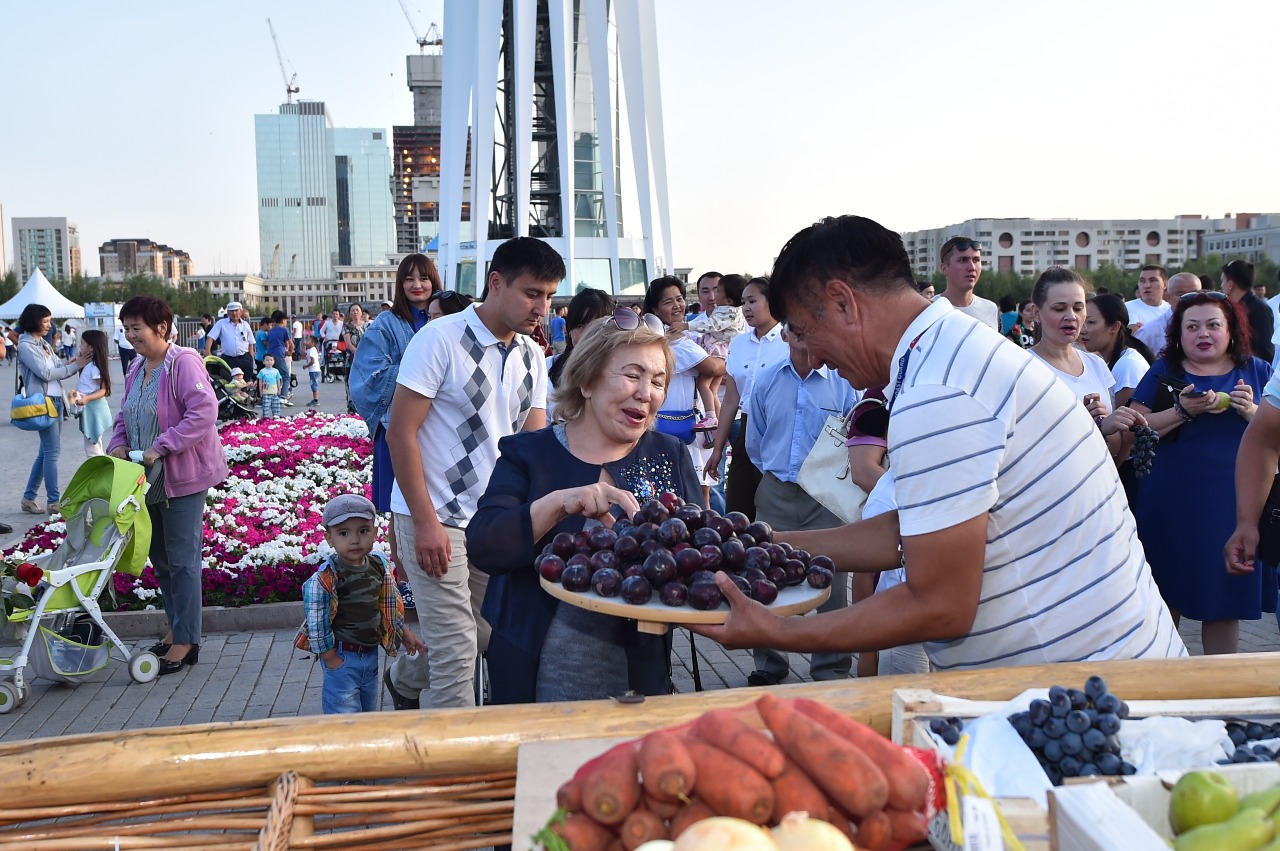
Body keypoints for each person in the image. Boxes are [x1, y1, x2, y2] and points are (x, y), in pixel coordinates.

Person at [690, 214, 1185, 668]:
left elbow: (940, 603)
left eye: (802, 330)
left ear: (843, 302)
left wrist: (776, 630)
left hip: (1095, 699)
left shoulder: (940, 389)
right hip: (1093, 678)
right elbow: (910, 530)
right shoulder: (945, 352)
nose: (812, 357)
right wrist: (761, 543)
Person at [468, 316, 701, 703]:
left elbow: (697, 557)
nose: (646, 393)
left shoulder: (669, 454)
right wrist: (559, 504)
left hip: (638, 677)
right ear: (588, 381)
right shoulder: (529, 453)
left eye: (658, 381)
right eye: (632, 375)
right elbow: (485, 545)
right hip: (534, 673)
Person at [383, 237, 560, 710]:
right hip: (434, 513)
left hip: (493, 520)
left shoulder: (531, 356)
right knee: (458, 650)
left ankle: (404, 677)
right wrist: (424, 523)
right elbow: (400, 434)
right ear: (495, 283)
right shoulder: (438, 339)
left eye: (548, 295)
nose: (542, 307)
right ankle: (456, 773)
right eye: (532, 293)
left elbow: (531, 446)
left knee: (484, 633)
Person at [1129, 291, 1272, 654]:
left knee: (1223, 601)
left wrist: (1252, 413)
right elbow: (1134, 428)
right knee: (1164, 596)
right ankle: (1164, 684)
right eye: (1192, 327)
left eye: (1213, 325)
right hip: (1170, 501)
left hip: (1233, 503)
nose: (1202, 334)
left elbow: (1275, 434)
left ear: (1231, 331)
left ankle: (1221, 696)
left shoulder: (1257, 370)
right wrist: (1183, 411)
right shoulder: (1165, 371)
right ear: (1179, 333)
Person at [108, 295, 228, 676]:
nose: (130, 336)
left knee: (182, 560)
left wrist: (162, 446)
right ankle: (177, 629)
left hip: (182, 478)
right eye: (126, 329)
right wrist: (119, 444)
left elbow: (204, 411)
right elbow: (125, 415)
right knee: (160, 559)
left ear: (161, 327)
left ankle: (187, 641)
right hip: (146, 480)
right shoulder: (136, 368)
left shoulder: (183, 362)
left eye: (136, 328)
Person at [743, 328, 859, 685]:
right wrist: (779, 475)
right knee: (763, 577)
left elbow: (851, 440)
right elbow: (756, 441)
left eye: (809, 326)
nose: (802, 335)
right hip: (776, 492)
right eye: (794, 328)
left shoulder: (843, 382)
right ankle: (769, 664)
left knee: (832, 586)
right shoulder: (765, 380)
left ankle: (830, 669)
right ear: (784, 333)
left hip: (825, 496)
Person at [350, 254, 442, 611]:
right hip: (399, 430)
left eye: (424, 278)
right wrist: (422, 367)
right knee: (402, 509)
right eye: (409, 279)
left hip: (442, 431)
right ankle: (404, 581)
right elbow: (367, 376)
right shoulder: (387, 324)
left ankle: (442, 578)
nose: (417, 285)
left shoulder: (449, 316)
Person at [296, 494, 424, 714]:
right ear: (329, 538)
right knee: (344, 717)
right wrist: (330, 658)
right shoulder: (326, 578)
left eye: (363, 531)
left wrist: (404, 633)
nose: (354, 540)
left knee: (367, 713)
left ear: (375, 533)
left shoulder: (378, 565)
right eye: (343, 533)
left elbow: (386, 605)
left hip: (371, 655)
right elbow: (317, 623)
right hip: (342, 655)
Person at [1027, 267, 1146, 462]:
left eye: (1078, 308)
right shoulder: (1024, 367)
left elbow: (1115, 447)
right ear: (1036, 313)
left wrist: (1109, 424)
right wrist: (1088, 425)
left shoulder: (1096, 364)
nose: (1071, 316)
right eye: (1059, 308)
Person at [703, 276, 787, 518]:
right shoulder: (739, 344)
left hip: (778, 430)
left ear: (772, 302)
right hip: (745, 428)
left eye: (752, 301)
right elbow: (731, 400)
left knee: (774, 511)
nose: (746, 308)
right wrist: (718, 449)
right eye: (743, 302)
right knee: (738, 509)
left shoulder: (788, 342)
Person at [642, 277, 724, 511]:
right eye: (669, 302)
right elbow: (715, 368)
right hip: (678, 426)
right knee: (694, 497)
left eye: (679, 299)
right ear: (655, 309)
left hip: (682, 423)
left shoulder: (682, 337)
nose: (677, 305)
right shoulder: (674, 342)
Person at [17, 304, 91, 515]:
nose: (50, 326)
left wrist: (73, 362)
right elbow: (46, 373)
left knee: (45, 452)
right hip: (44, 402)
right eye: (46, 321)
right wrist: (75, 366)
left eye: (50, 321)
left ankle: (29, 497)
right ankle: (53, 502)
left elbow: (58, 367)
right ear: (34, 321)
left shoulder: (43, 344)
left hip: (57, 401)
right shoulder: (25, 346)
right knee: (52, 452)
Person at [688, 273, 747, 435]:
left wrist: (731, 373)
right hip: (703, 409)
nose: (712, 296)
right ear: (698, 295)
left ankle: (715, 421)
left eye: (717, 290)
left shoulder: (743, 322)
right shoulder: (695, 325)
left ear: (728, 298)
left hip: (738, 411)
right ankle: (716, 423)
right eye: (706, 291)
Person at [546, 288, 617, 422]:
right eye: (580, 326)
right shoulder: (547, 367)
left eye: (597, 326)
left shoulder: (624, 374)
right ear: (569, 329)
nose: (587, 335)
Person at [1079, 294, 1153, 409]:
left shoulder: (1128, 366)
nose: (1082, 330)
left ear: (1114, 327)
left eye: (1091, 322)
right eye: (1083, 322)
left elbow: (1125, 423)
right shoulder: (1103, 360)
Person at [935, 236, 998, 330]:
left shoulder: (990, 309)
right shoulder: (930, 309)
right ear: (944, 268)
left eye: (976, 260)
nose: (972, 267)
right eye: (963, 260)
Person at [1222, 259, 1275, 364]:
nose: (1221, 285)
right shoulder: (1230, 307)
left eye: (1222, 281)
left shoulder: (1259, 308)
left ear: (1230, 284)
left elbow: (1265, 352)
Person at [1136, 271, 1201, 357]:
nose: (1189, 298)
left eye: (1195, 294)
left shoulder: (1211, 329)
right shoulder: (1149, 333)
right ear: (1167, 297)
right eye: (1181, 294)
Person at [71, 329, 112, 457]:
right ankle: (100, 470)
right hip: (87, 407)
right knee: (94, 444)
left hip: (92, 409)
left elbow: (104, 390)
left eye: (82, 343)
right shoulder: (90, 365)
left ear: (91, 348)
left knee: (92, 447)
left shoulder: (94, 367)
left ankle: (98, 471)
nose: (80, 346)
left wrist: (88, 398)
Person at [203, 301, 256, 380]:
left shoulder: (245, 325)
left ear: (241, 311)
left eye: (236, 310)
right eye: (231, 311)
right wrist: (208, 352)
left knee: (246, 382)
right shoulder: (221, 323)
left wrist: (251, 358)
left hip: (245, 358)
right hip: (228, 359)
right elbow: (210, 337)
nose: (234, 313)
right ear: (227, 312)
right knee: (230, 383)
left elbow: (251, 342)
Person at [1126, 265, 1171, 339]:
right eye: (1142, 281)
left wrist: (1145, 330)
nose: (1147, 285)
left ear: (1165, 284)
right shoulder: (1128, 307)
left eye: (1153, 280)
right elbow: (1135, 336)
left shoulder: (1170, 310)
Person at [264, 311, 293, 406]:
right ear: (282, 320)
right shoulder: (284, 330)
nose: (286, 322)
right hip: (279, 355)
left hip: (270, 355)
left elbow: (269, 344)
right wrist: (289, 352)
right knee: (285, 376)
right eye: (285, 320)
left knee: (274, 376)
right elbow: (288, 343)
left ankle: (272, 396)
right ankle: (283, 397)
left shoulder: (271, 331)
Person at [304, 335, 321, 406]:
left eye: (308, 340)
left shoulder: (312, 350)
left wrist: (306, 366)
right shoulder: (309, 350)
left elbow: (313, 361)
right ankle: (315, 399)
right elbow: (302, 354)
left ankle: (316, 400)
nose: (306, 341)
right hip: (312, 370)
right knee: (313, 384)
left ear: (313, 343)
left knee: (314, 384)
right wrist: (303, 346)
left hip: (314, 370)